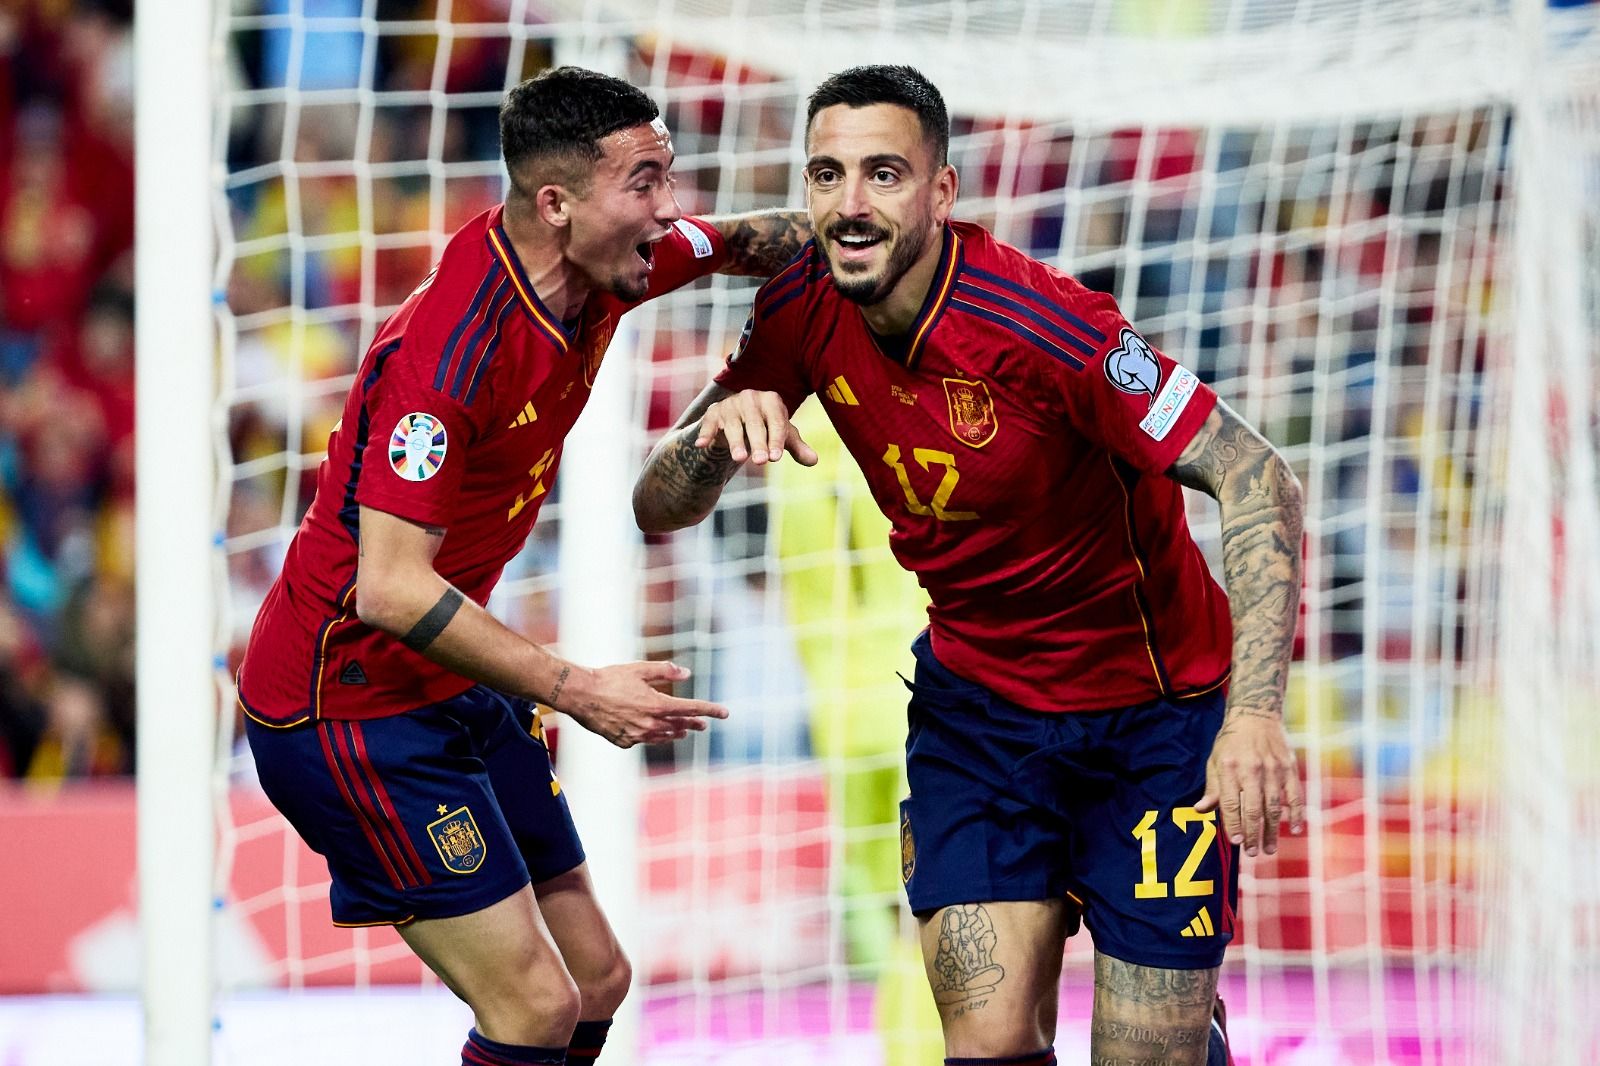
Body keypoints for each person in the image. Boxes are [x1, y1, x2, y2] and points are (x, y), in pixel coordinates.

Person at [633, 65, 1305, 1066]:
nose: (850, 202)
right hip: (980, 715)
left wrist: (1252, 715)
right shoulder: (800, 305)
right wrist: (712, 441)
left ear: (941, 193)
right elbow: (655, 508)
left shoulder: (1050, 329)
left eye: (885, 173)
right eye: (827, 174)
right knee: (984, 1043)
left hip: (1152, 718)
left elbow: (1256, 476)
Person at [235, 66, 810, 1066]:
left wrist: (876, 243)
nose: (668, 209)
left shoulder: (610, 261)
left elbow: (754, 237)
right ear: (556, 203)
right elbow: (391, 585)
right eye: (645, 184)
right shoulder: (450, 354)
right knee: (536, 1006)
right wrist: (576, 687)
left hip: (443, 676)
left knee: (598, 980)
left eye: (666, 176)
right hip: (345, 705)